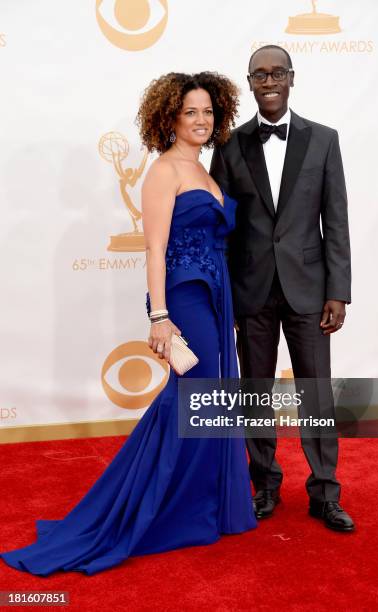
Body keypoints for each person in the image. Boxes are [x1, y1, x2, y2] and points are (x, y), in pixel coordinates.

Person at [0, 72, 257, 576]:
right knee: (196, 395)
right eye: (191, 113)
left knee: (207, 400)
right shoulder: (164, 170)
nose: (201, 120)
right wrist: (159, 316)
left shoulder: (205, 170)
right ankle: (159, 510)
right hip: (186, 295)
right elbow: (154, 248)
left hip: (216, 294)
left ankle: (200, 502)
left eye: (208, 111)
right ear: (171, 119)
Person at [210, 45, 355, 531]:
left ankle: (325, 492)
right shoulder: (229, 146)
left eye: (277, 73)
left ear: (291, 78)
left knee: (316, 394)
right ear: (249, 82)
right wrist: (222, 295)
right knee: (256, 391)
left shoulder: (324, 140)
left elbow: (336, 222)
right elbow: (220, 228)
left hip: (310, 290)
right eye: (259, 74)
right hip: (250, 289)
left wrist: (339, 290)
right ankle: (265, 485)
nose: (268, 81)